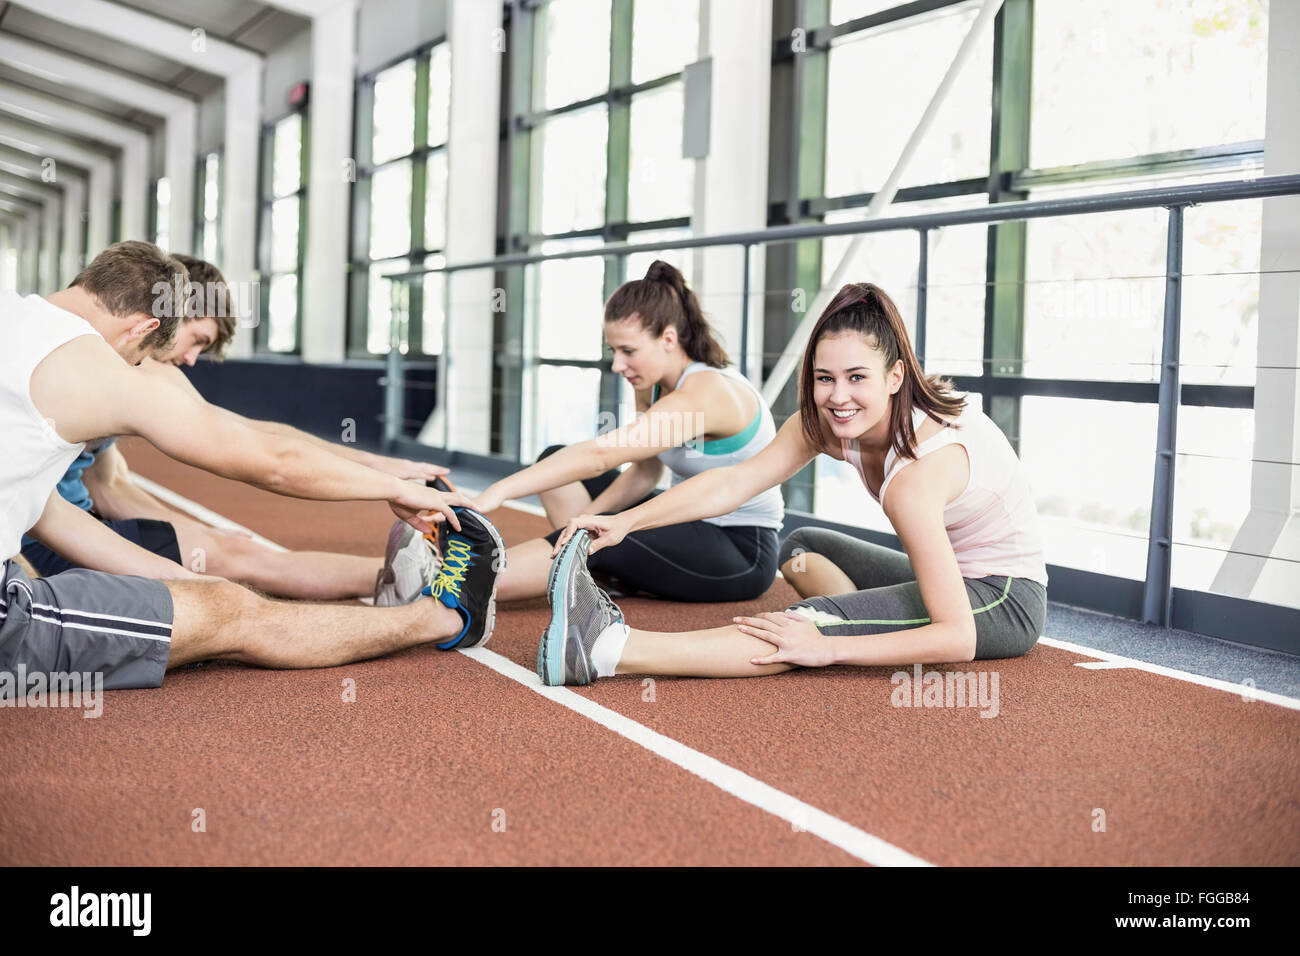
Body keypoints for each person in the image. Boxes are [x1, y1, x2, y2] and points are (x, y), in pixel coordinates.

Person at [1, 240, 502, 695]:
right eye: (139, 356)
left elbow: (51, 513)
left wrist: (183, 579)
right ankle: (444, 617)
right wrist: (395, 487)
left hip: (28, 559)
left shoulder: (16, 316)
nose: (139, 364)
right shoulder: (96, 368)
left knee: (218, 590)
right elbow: (272, 460)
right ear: (144, 328)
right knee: (233, 612)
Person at [537, 281, 1049, 686]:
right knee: (802, 548)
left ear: (894, 377)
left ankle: (607, 650)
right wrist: (626, 522)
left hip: (1004, 599)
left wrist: (829, 647)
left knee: (803, 625)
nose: (838, 397)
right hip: (951, 574)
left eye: (857, 377)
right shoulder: (824, 423)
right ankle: (857, 621)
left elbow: (957, 637)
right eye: (825, 378)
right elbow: (734, 482)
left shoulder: (916, 478)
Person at [19, 254, 448, 604]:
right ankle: (425, 577)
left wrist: (376, 464)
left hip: (65, 524)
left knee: (231, 555)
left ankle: (418, 575)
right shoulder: (126, 367)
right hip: (47, 536)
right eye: (198, 339)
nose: (192, 358)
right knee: (238, 568)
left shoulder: (118, 359)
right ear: (166, 316)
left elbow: (110, 486)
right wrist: (388, 481)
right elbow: (269, 455)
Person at [465, 260, 784, 605]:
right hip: (686, 520)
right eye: (613, 351)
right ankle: (593, 571)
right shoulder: (653, 383)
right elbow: (646, 470)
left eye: (629, 351)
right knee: (556, 467)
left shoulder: (706, 393)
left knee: (599, 534)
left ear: (668, 339)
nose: (618, 365)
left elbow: (601, 455)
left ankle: (460, 586)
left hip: (741, 550)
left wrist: (499, 491)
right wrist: (584, 520)